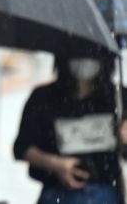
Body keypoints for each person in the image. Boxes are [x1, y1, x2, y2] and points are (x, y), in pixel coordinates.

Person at [14, 55, 126, 204]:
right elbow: (22, 147)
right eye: (77, 52)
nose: (84, 60)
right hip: (56, 192)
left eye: (89, 52)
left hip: (105, 191)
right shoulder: (44, 97)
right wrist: (55, 164)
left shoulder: (119, 97)